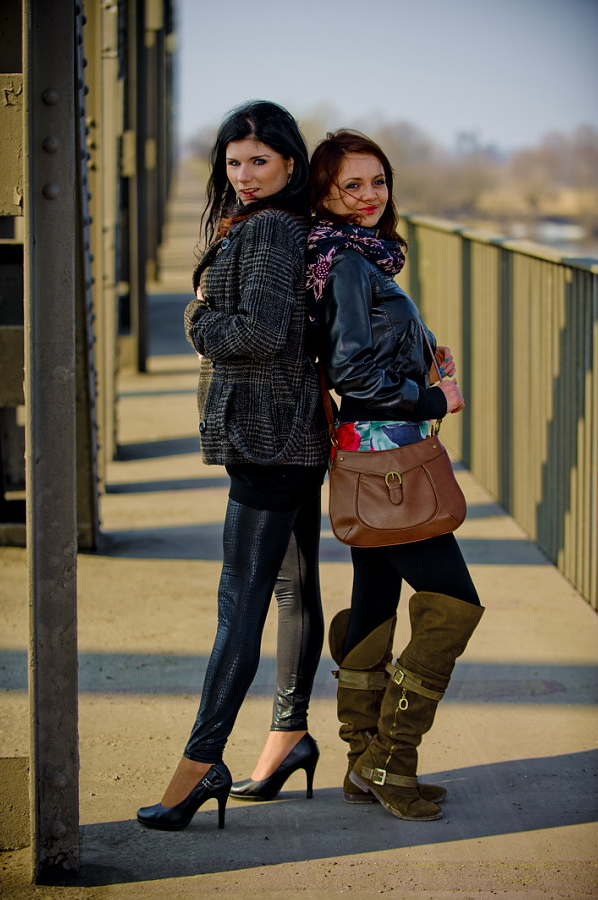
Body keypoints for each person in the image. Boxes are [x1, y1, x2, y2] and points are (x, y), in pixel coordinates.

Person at [136, 101, 329, 831]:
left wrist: (194, 318)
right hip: (289, 434)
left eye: (259, 161)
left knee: (239, 604)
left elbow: (257, 332)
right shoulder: (278, 222)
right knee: (291, 588)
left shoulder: (271, 229)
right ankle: (288, 737)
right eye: (234, 162)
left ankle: (200, 764)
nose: (245, 175)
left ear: (289, 163)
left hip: (266, 440)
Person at [307, 130, 484, 821]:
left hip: (371, 456)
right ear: (324, 193)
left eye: (377, 181)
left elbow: (363, 351)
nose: (369, 196)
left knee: (375, 600)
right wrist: (433, 399)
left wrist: (419, 348)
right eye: (350, 185)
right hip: (388, 460)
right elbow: (352, 370)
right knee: (454, 602)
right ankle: (390, 759)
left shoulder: (352, 257)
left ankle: (363, 762)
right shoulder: (349, 262)